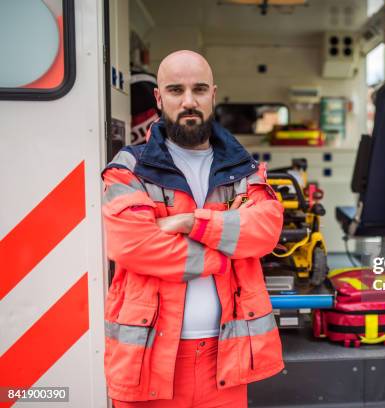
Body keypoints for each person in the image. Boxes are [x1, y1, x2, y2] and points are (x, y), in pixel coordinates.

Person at [102, 50, 284, 407]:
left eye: (199, 89)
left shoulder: (242, 167)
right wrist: (224, 249)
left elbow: (265, 229)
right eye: (175, 90)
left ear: (213, 95)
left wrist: (191, 222)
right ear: (159, 98)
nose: (188, 101)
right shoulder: (129, 168)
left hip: (227, 357)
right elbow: (134, 245)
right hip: (151, 360)